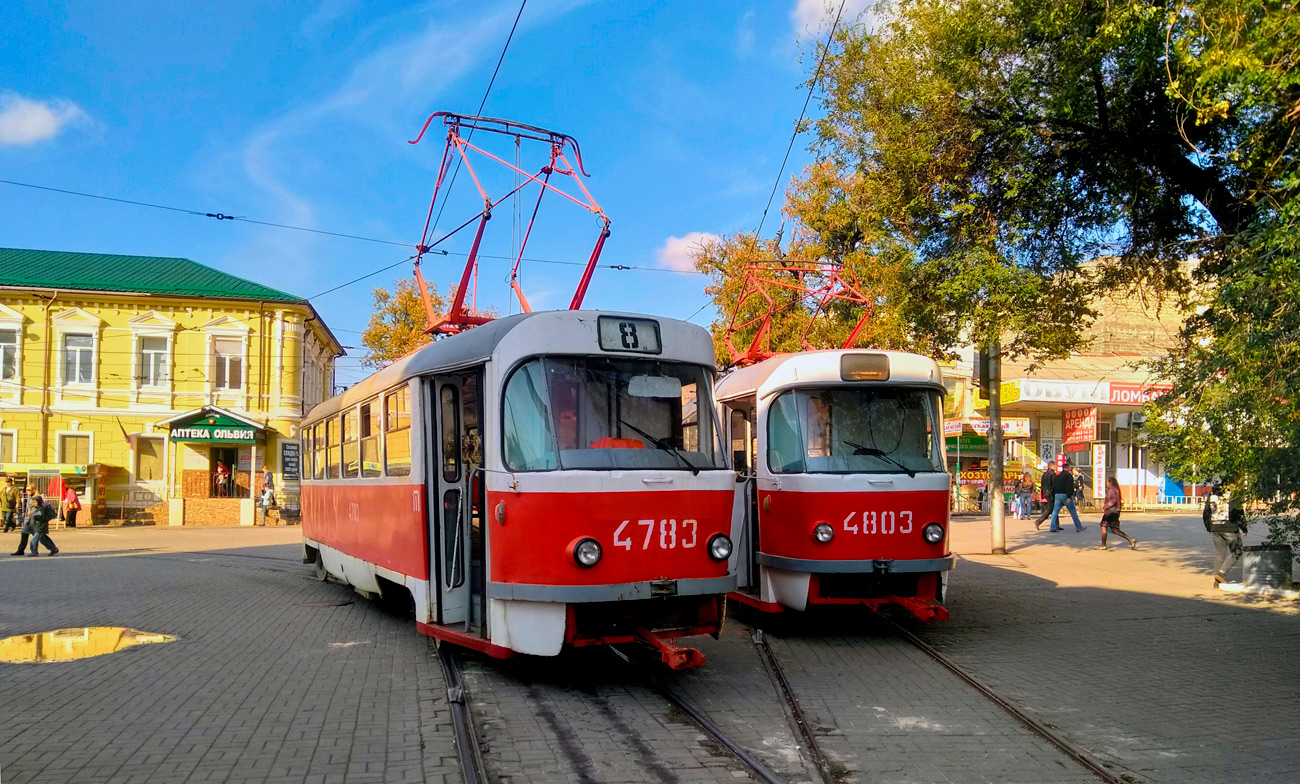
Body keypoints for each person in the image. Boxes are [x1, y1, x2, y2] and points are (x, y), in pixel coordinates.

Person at [1205, 484, 1246, 586]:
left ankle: (1217, 582)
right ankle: (1221, 573)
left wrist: (1209, 527)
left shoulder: (1212, 495)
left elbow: (1206, 512)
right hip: (1230, 529)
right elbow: (1238, 512)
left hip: (1215, 527)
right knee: (1237, 551)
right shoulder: (1232, 494)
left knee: (1220, 554)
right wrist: (1244, 527)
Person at [1098, 477, 1136, 550]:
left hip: (1110, 511)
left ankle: (1103, 545)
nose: (1106, 484)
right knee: (1114, 529)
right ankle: (1130, 539)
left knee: (1103, 526)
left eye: (1107, 482)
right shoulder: (1116, 489)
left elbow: (1112, 501)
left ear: (1110, 482)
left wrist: (1105, 507)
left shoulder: (1111, 490)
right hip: (1116, 512)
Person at [1049, 462, 1086, 533]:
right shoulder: (1068, 476)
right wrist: (1069, 496)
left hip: (1057, 494)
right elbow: (1069, 486)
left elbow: (1054, 486)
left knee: (1055, 512)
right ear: (1067, 468)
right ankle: (1079, 527)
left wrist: (1054, 495)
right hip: (1065, 495)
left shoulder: (1057, 476)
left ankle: (1052, 527)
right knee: (1073, 511)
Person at [24, 490, 58, 556]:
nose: (34, 503)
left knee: (34, 540)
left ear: (38, 502)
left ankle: (34, 552)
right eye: (33, 502)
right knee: (43, 539)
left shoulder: (41, 508)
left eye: (35, 502)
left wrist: (33, 515)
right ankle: (53, 549)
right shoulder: (37, 508)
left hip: (40, 527)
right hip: (37, 527)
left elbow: (41, 517)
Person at [1032, 463, 1058, 529]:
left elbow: (1043, 485)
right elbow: (1054, 485)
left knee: (1053, 508)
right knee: (1050, 509)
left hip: (1045, 493)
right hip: (1050, 493)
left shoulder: (1044, 474)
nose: (1056, 467)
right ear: (1051, 466)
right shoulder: (1052, 474)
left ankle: (1057, 525)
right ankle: (1038, 521)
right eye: (1055, 466)